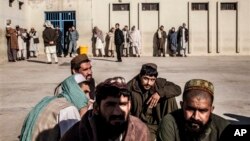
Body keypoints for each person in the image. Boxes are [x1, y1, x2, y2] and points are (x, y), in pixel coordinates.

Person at [61, 76, 151, 141]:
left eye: (123, 104)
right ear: (96, 108)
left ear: (129, 106)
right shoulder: (78, 134)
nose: (117, 112)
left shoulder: (140, 131)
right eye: (110, 105)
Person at [19, 74, 90, 141]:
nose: (86, 98)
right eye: (85, 92)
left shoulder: (47, 100)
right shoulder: (68, 109)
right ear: (75, 91)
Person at [157, 79, 230, 141]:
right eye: (190, 109)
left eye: (202, 111)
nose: (196, 117)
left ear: (211, 109)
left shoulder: (223, 127)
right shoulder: (170, 123)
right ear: (182, 105)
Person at [127, 63, 181, 141]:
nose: (149, 83)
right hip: (143, 124)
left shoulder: (159, 83)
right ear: (140, 76)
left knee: (170, 97)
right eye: (145, 79)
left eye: (152, 80)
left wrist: (160, 93)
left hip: (159, 121)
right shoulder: (131, 87)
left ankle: (172, 126)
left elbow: (177, 89)